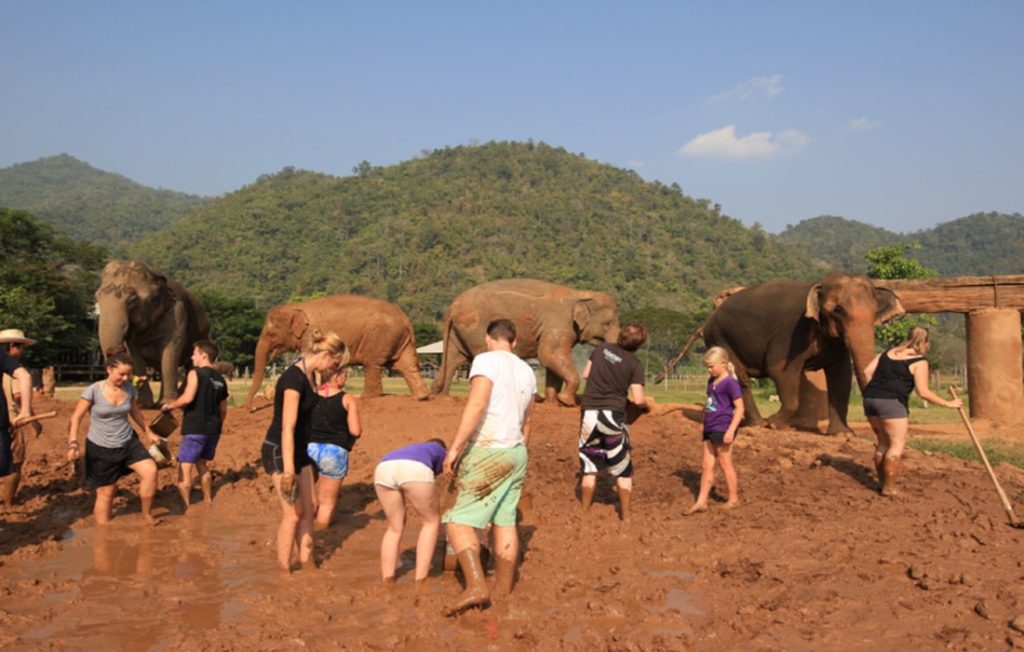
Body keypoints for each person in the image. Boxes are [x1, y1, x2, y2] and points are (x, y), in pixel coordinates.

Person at [442, 318, 536, 616]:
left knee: (457, 521)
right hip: (517, 450)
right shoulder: (527, 370)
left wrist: (455, 448)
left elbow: (477, 404)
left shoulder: (484, 360)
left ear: (488, 339)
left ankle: (476, 587)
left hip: (488, 449)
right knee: (505, 521)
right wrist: (518, 450)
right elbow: (528, 420)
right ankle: (504, 589)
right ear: (515, 341)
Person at [261, 331, 347, 571]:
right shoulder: (293, 379)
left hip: (301, 450)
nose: (334, 368)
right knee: (293, 514)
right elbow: (287, 428)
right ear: (327, 354)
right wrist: (289, 472)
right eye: (335, 362)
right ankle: (284, 570)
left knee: (310, 509)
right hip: (280, 450)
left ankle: (308, 564)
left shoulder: (311, 376)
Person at [862, 327, 961, 496]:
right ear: (926, 342)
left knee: (882, 443)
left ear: (908, 338)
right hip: (892, 403)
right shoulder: (919, 361)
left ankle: (882, 483)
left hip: (870, 399)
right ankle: (889, 488)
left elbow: (867, 371)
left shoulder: (887, 352)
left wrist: (879, 389)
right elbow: (923, 392)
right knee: (896, 444)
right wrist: (948, 404)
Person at [67, 348, 161, 525]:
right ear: (109, 369)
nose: (125, 379)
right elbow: (76, 417)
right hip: (101, 447)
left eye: (128, 375)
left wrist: (148, 432)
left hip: (128, 442)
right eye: (122, 374)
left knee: (151, 471)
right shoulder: (93, 390)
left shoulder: (130, 389)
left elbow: (136, 413)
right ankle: (104, 532)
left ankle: (147, 515)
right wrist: (73, 442)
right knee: (106, 492)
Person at [577, 322, 649, 521]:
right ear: (639, 344)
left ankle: (584, 511)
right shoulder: (635, 364)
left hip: (589, 413)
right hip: (614, 415)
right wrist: (644, 406)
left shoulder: (601, 349)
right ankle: (625, 516)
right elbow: (638, 398)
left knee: (590, 465)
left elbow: (586, 374)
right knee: (623, 468)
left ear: (620, 335)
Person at [160, 340, 229, 511]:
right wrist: (216, 425)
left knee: (185, 466)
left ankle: (186, 506)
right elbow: (223, 409)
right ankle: (208, 500)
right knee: (202, 464)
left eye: (194, 353)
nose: (192, 357)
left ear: (203, 355)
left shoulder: (195, 373)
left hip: (195, 427)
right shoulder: (220, 379)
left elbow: (188, 397)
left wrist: (170, 405)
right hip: (213, 429)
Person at [373, 438, 447, 583]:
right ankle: (421, 579)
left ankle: (387, 579)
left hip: (384, 467)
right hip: (414, 469)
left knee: (394, 527)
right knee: (431, 522)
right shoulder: (442, 451)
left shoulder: (415, 448)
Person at [686, 346, 744, 515]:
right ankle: (701, 501)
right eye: (707, 366)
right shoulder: (711, 382)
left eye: (711, 366)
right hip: (710, 426)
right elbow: (710, 403)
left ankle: (733, 499)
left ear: (723, 363)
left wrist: (730, 431)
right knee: (706, 465)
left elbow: (740, 409)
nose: (709, 369)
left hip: (723, 426)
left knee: (725, 463)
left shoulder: (731, 383)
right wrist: (704, 423)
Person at [307, 363, 362, 529]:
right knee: (327, 502)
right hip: (334, 451)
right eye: (345, 375)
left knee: (307, 495)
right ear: (336, 377)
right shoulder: (347, 399)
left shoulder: (311, 395)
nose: (346, 378)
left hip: (308, 448)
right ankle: (323, 534)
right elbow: (355, 430)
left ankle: (305, 532)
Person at [0, 329, 34, 509]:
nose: (22, 352)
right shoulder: (11, 367)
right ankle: (8, 503)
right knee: (14, 464)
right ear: (12, 346)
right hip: (12, 422)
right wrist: (27, 413)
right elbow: (20, 394)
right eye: (21, 347)